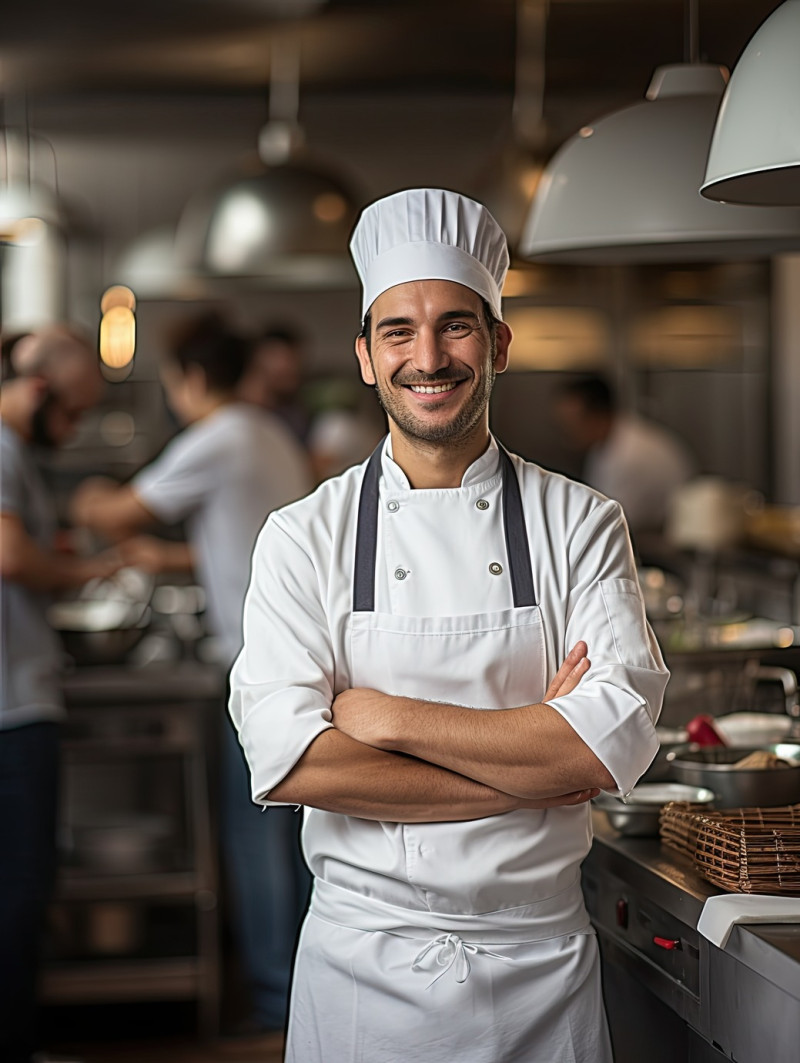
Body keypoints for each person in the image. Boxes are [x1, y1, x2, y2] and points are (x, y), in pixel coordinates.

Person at [229, 189, 670, 1062]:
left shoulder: (580, 522)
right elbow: (294, 761)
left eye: (456, 326)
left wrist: (386, 719)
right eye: (398, 331)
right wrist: (527, 770)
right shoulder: (302, 535)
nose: (427, 357)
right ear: (364, 355)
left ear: (500, 342)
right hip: (362, 967)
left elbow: (599, 747)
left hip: (539, 964)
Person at [70, 312, 314, 1034]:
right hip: (299, 660)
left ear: (194, 377)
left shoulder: (217, 436)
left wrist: (83, 492)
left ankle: (273, 998)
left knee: (255, 833)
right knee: (294, 833)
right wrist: (173, 558)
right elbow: (245, 544)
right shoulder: (267, 431)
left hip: (256, 667)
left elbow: (119, 511)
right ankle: (297, 987)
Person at [0, 325, 119, 1063]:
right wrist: (94, 573)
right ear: (41, 391)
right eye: (72, 413)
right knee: (19, 887)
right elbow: (12, 557)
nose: (71, 429)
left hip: (17, 696)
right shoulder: (3, 447)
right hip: (12, 707)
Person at [554, 373, 695, 537]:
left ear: (597, 415)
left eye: (571, 424)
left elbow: (613, 523)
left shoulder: (631, 455)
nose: (566, 433)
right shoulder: (604, 445)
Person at [237, 324, 311, 445]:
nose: (290, 366)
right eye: (284, 358)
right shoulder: (237, 413)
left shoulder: (294, 414)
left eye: (294, 358)